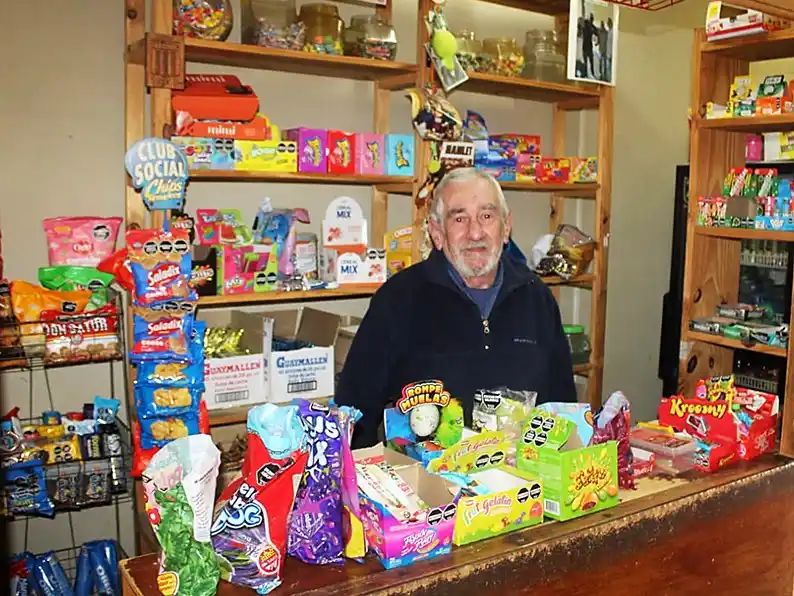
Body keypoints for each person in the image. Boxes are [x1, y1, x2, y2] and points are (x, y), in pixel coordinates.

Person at [335, 168, 577, 448]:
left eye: (487, 216)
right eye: (459, 218)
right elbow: (353, 415)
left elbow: (563, 409)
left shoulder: (537, 298)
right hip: (427, 483)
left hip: (523, 479)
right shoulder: (397, 300)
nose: (475, 233)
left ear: (506, 226)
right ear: (437, 233)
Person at [582, 13, 596, 79]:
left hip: (585, 46)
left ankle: (585, 74)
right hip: (588, 46)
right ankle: (591, 73)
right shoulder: (590, 27)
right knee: (590, 61)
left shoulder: (586, 26)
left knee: (587, 61)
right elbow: (596, 31)